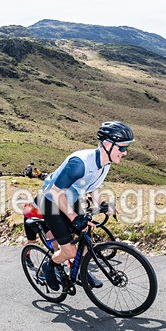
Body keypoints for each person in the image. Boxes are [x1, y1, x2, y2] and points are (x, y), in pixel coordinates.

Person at [38, 121, 132, 291]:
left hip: (70, 199)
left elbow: (91, 187)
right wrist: (74, 218)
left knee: (86, 235)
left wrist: (103, 204)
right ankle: (49, 267)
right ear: (107, 145)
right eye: (122, 148)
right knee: (70, 251)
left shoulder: (104, 164)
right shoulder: (80, 163)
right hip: (51, 202)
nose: (125, 153)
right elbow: (55, 192)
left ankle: (81, 270)